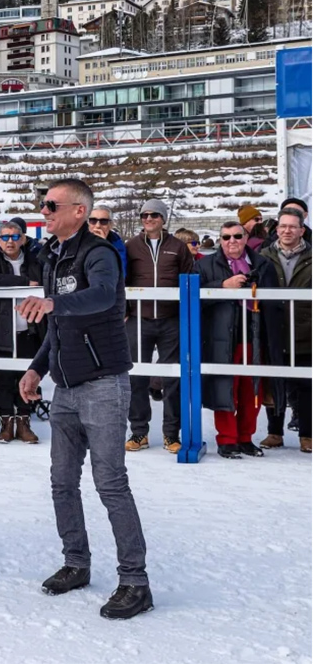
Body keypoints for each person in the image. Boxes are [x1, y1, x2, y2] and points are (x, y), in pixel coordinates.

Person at [17, 178, 152, 621]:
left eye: (52, 204)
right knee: (61, 482)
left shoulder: (101, 254)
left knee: (111, 483)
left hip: (103, 384)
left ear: (79, 211)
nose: (45, 210)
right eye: (43, 204)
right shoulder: (52, 257)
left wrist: (54, 303)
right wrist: (37, 367)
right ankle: (76, 562)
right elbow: (56, 327)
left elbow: (98, 298)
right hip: (66, 388)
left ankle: (135, 581)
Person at [196, 221, 283, 458]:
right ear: (219, 240)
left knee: (251, 390)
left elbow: (275, 302)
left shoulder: (262, 264)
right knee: (225, 388)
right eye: (226, 237)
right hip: (222, 337)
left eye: (237, 236)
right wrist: (222, 286)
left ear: (245, 238)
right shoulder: (205, 265)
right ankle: (226, 439)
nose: (232, 241)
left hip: (254, 336)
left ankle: (245, 437)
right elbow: (194, 299)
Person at [124, 198, 193, 454]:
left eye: (154, 215)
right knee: (136, 377)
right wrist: (125, 311)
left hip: (170, 320)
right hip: (139, 319)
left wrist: (183, 314)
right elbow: (122, 279)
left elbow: (189, 278)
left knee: (172, 377)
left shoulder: (178, 247)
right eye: (144, 215)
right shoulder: (131, 246)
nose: (149, 219)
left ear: (163, 219)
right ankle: (139, 432)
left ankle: (171, 433)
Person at [0, 220, 44, 444]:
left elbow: (45, 281)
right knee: (5, 379)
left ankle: (24, 421)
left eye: (15, 237)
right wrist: (26, 282)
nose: (10, 241)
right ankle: (7, 422)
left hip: (30, 329)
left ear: (23, 239)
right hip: (1, 330)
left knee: (27, 377)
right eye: (5, 237)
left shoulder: (36, 261)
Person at [260, 209, 311, 453]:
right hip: (273, 330)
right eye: (283, 226)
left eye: (292, 226)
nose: (287, 230)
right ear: (276, 229)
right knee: (273, 383)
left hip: (305, 330)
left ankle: (307, 435)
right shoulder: (263, 256)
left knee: (305, 386)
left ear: (302, 230)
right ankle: (274, 432)